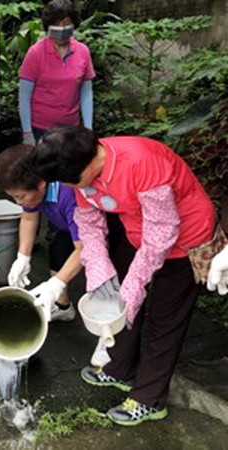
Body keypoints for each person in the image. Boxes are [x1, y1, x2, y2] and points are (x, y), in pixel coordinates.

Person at [30, 126, 217, 426]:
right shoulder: (78, 170)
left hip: (185, 239)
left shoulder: (141, 163)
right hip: (137, 231)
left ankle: (149, 398)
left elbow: (161, 234)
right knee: (113, 295)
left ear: (89, 165)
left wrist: (135, 282)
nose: (67, 187)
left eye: (70, 181)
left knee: (163, 320)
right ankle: (119, 369)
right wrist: (99, 268)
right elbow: (89, 223)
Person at [0, 144, 82, 322]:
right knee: (58, 255)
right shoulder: (31, 190)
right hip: (64, 226)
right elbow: (29, 219)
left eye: (20, 196)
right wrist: (22, 257)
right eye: (14, 197)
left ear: (41, 184)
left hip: (106, 230)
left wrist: (57, 283)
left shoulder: (69, 195)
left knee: (104, 281)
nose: (19, 201)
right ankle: (63, 308)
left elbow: (84, 248)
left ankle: (107, 337)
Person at [19, 0, 94, 146]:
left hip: (71, 129)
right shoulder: (35, 53)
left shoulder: (83, 51)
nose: (62, 28)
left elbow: (86, 93)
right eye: (57, 24)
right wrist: (27, 133)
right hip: (40, 129)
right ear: (48, 26)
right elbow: (24, 97)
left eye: (66, 23)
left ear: (74, 24)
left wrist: (88, 128)